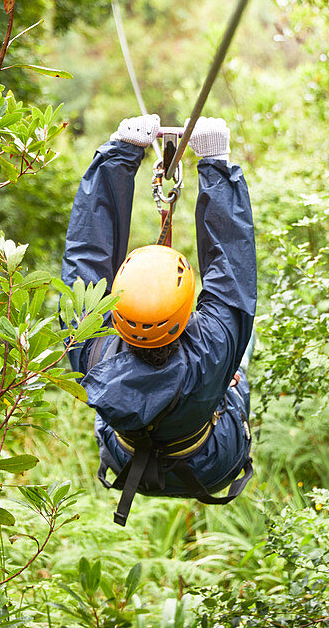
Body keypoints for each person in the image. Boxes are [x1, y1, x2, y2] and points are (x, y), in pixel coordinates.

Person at [61, 113, 256, 526]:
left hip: (125, 457)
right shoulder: (211, 351)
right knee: (242, 342)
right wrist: (215, 164)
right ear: (188, 313)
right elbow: (233, 276)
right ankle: (229, 388)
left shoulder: (90, 346)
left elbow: (86, 261)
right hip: (210, 461)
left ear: (115, 310)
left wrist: (119, 155)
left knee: (232, 340)